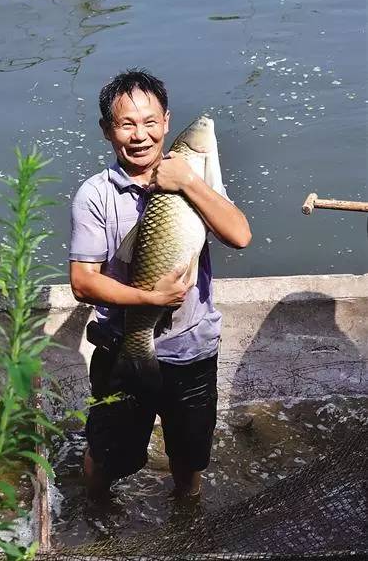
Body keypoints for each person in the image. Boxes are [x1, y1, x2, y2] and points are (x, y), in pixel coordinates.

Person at [69, 69, 251, 500]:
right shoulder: (95, 194)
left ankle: (185, 521)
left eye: (150, 122)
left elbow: (239, 235)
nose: (140, 135)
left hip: (193, 348)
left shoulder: (195, 180)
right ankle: (95, 512)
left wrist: (187, 181)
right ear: (107, 130)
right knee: (109, 457)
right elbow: (81, 283)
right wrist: (150, 298)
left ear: (166, 123)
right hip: (121, 347)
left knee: (189, 460)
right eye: (126, 124)